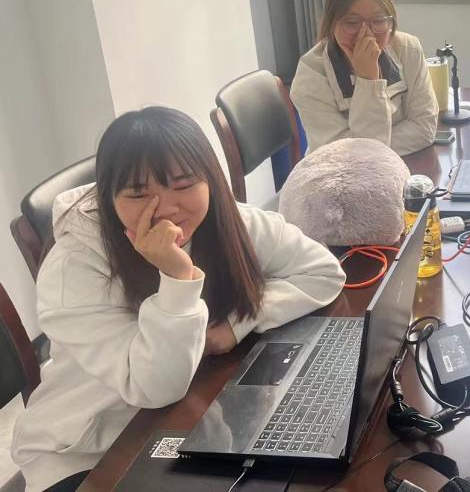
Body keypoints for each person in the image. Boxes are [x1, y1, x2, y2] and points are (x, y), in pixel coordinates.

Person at [12, 107, 346, 492]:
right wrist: (176, 278)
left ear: (210, 180)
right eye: (138, 193)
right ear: (108, 198)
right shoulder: (75, 266)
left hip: (190, 410)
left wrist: (236, 324)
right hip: (88, 448)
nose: (166, 208)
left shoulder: (228, 221)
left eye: (184, 184)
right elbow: (155, 387)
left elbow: (323, 272)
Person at [291, 0, 438, 155]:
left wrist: (372, 148)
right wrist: (368, 80)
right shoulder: (311, 75)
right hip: (338, 170)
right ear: (331, 24)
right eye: (352, 23)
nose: (366, 34)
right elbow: (350, 156)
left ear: (390, 22)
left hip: (401, 164)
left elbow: (424, 127)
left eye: (378, 21)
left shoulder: (408, 49)